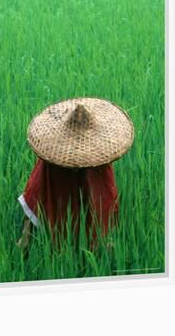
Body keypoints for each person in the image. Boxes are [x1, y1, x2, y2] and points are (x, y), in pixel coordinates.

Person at [17, 98, 134, 250]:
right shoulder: (50, 162)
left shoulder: (98, 164)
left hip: (89, 177)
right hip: (58, 178)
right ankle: (31, 237)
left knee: (92, 195)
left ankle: (94, 240)